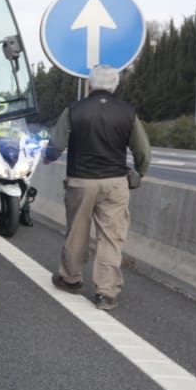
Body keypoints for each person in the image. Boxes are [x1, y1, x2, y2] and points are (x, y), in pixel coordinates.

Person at [43, 64, 152, 311]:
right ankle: (106, 293)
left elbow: (56, 144)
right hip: (115, 182)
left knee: (77, 231)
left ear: (90, 85)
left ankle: (70, 279)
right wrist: (140, 173)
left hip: (81, 180)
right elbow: (143, 151)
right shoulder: (127, 112)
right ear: (116, 85)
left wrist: (48, 157)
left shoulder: (74, 109)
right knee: (111, 238)